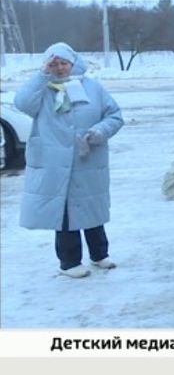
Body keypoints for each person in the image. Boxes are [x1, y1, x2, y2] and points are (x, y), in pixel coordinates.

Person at [14, 42, 124, 278]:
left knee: (90, 207)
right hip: (53, 163)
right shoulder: (42, 90)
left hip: (87, 160)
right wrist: (42, 74)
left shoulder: (92, 88)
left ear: (73, 63)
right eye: (55, 64)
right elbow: (21, 103)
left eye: (64, 63)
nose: (61, 68)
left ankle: (99, 254)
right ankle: (69, 261)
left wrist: (98, 133)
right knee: (63, 214)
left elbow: (114, 115)